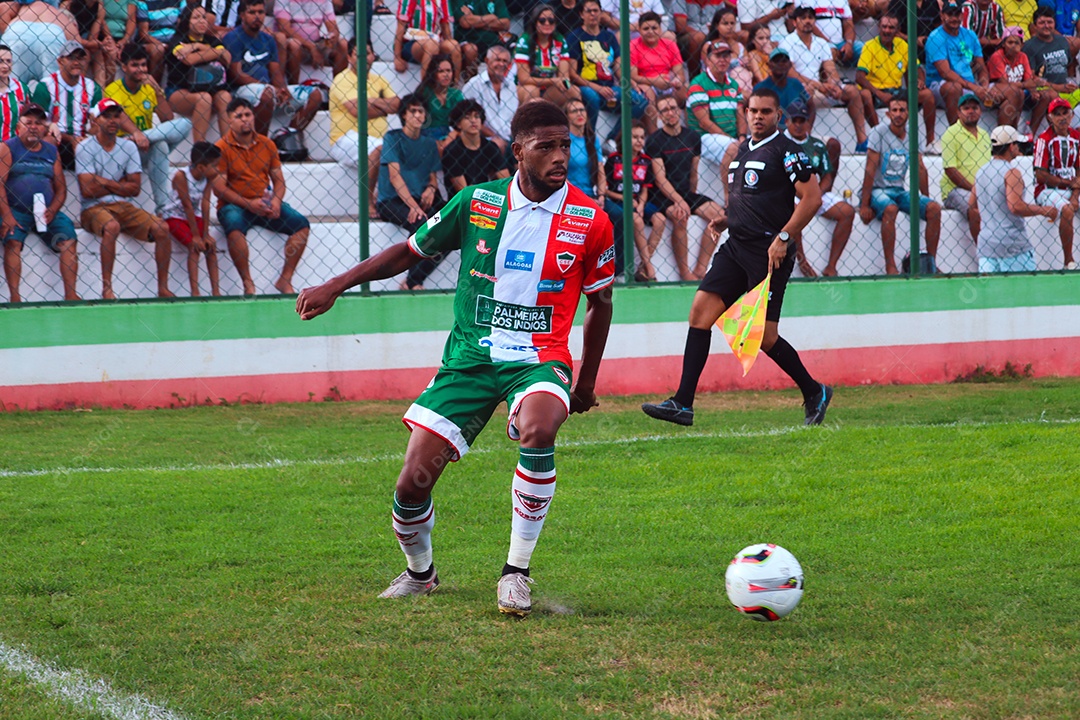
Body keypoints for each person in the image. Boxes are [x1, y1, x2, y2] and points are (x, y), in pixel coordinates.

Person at [295, 100, 615, 617]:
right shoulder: (477, 202)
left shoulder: (591, 220)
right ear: (518, 152)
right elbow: (409, 252)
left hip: (540, 358)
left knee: (539, 429)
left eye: (566, 146)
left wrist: (586, 384)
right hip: (470, 358)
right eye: (547, 146)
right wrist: (337, 284)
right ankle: (421, 575)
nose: (560, 155)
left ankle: (516, 572)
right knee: (411, 485)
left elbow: (601, 304)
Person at [642, 87, 831, 427]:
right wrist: (729, 218)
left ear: (778, 116)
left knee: (763, 337)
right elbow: (754, 195)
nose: (758, 116)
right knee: (700, 313)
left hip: (769, 253)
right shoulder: (743, 148)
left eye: (766, 112)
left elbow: (812, 198)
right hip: (735, 246)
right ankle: (683, 403)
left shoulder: (789, 152)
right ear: (746, 112)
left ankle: (814, 390)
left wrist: (784, 238)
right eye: (754, 111)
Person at [405, 98, 509, 288]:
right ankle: (413, 281)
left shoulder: (490, 148)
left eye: (477, 116)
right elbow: (465, 191)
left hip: (489, 204)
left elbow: (506, 182)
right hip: (460, 205)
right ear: (458, 123)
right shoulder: (453, 150)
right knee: (443, 240)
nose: (473, 121)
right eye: (467, 117)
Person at [76, 98, 173, 299]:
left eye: (116, 116)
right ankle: (107, 288)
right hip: (94, 207)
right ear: (96, 119)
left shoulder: (128, 147)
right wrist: (120, 184)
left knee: (162, 228)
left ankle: (163, 288)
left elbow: (135, 188)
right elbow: (87, 190)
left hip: (124, 206)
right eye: (107, 116)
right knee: (111, 227)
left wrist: (103, 181)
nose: (112, 121)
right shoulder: (84, 147)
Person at [213, 97, 310, 294]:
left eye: (248, 114)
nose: (245, 119)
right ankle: (248, 283)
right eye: (238, 116)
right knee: (234, 227)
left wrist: (275, 201)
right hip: (235, 204)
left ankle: (285, 279)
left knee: (301, 225)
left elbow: (279, 181)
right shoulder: (221, 147)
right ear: (229, 121)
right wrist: (248, 204)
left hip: (264, 202)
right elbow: (219, 189)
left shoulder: (267, 144)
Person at [0, 102, 79, 303]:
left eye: (38, 123)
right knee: (13, 241)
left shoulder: (51, 152)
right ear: (19, 126)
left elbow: (61, 188)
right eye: (28, 122)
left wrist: (52, 210)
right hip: (16, 210)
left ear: (45, 128)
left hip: (46, 212)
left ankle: (70, 294)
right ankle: (15, 297)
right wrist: (7, 216)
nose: (34, 127)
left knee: (68, 239)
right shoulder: (7, 148)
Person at [858, 93, 942, 275]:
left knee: (934, 209)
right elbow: (870, 168)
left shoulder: (913, 133)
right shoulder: (878, 132)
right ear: (888, 114)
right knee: (890, 209)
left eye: (902, 110)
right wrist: (864, 204)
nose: (898, 114)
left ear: (908, 113)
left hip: (898, 189)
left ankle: (930, 263)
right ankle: (890, 266)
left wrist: (925, 199)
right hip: (877, 190)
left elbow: (920, 168)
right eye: (894, 110)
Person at [105, 43, 193, 215]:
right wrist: (135, 134)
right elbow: (118, 116)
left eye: (144, 65)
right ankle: (163, 208)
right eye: (135, 65)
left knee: (185, 124)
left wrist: (158, 91)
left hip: (145, 146)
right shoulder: (113, 89)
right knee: (160, 145)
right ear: (124, 67)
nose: (141, 69)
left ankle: (163, 210)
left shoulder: (148, 89)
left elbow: (167, 119)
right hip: (123, 149)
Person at [645, 93, 725, 281]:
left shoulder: (692, 137)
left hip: (686, 192)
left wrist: (691, 198)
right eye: (665, 110)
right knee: (680, 216)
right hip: (662, 195)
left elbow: (694, 171)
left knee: (719, 216)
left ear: (679, 111)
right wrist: (680, 202)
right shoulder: (654, 140)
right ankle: (685, 274)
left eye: (673, 108)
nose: (670, 113)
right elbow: (660, 179)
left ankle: (700, 270)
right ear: (659, 115)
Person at [223, 0, 322, 138]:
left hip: (267, 89)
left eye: (261, 12)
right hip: (241, 90)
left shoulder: (268, 39)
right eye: (252, 12)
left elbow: (275, 70)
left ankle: (286, 136)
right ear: (242, 15)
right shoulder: (233, 38)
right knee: (268, 93)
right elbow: (236, 74)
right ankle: (260, 144)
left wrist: (281, 88)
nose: (257, 16)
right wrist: (267, 87)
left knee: (315, 94)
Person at [374, 94, 445, 289]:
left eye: (420, 111)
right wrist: (413, 207)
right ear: (404, 115)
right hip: (392, 200)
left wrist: (431, 188)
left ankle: (411, 281)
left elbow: (432, 176)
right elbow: (394, 177)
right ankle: (415, 281)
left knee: (448, 226)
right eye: (412, 111)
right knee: (420, 225)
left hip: (418, 199)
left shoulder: (429, 143)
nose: (417, 115)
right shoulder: (392, 138)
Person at [970, 125, 1056, 273]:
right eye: (1017, 144)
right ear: (1011, 146)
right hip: (1012, 243)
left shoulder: (981, 171)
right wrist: (1044, 210)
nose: (1019, 148)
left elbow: (971, 203)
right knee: (1023, 291)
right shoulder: (1011, 172)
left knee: (991, 293)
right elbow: (1015, 206)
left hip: (987, 244)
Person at [780, 6, 868, 151]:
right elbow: (791, 73)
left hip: (820, 89)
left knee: (852, 91)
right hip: (799, 88)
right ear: (795, 22)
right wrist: (818, 85)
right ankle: (804, 142)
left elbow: (830, 68)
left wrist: (834, 85)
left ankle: (862, 142)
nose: (808, 21)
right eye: (803, 18)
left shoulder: (820, 43)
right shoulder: (788, 42)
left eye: (810, 18)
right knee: (806, 91)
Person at [783, 99, 853, 277]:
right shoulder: (780, 144)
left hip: (815, 193)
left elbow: (827, 175)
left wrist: (817, 195)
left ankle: (831, 266)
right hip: (790, 193)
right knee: (794, 209)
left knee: (847, 212)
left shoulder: (817, 145)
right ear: (787, 122)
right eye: (794, 121)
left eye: (802, 121)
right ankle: (802, 261)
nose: (798, 125)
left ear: (808, 122)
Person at [566, 0, 648, 132]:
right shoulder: (574, 37)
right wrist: (598, 88)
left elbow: (617, 67)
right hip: (586, 86)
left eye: (596, 11)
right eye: (589, 11)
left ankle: (614, 139)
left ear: (601, 13)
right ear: (582, 14)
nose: (593, 14)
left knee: (641, 101)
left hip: (610, 88)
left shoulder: (609, 37)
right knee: (592, 98)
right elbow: (572, 74)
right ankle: (589, 137)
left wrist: (629, 82)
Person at [857, 13, 938, 147]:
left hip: (897, 91)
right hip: (876, 91)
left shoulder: (902, 45)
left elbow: (917, 68)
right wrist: (879, 94)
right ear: (879, 27)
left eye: (891, 27)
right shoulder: (869, 46)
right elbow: (859, 76)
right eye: (884, 27)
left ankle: (930, 142)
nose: (887, 30)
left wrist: (921, 81)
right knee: (864, 94)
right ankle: (879, 137)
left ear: (897, 30)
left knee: (927, 95)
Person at [925, 2, 1007, 132]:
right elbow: (945, 73)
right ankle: (957, 135)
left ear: (962, 16)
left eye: (957, 14)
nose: (954, 18)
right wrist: (975, 88)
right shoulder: (936, 37)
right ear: (942, 16)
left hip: (971, 85)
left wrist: (984, 86)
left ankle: (1005, 139)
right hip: (941, 86)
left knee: (1014, 92)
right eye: (949, 14)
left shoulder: (970, 35)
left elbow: (981, 67)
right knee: (953, 88)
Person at [564, 96, 624, 273]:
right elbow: (562, 175)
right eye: (574, 111)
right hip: (572, 195)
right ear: (567, 117)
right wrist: (585, 199)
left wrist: (602, 196)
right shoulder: (564, 142)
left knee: (620, 216)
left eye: (582, 110)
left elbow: (600, 169)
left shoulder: (592, 139)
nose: (580, 114)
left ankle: (618, 270)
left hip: (593, 195)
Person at [330, 38, 399, 187]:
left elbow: (396, 105)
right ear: (349, 57)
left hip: (377, 139)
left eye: (367, 53)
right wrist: (382, 108)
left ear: (373, 55)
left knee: (390, 150)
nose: (363, 58)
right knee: (382, 149)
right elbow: (357, 111)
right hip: (344, 139)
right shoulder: (342, 79)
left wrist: (370, 101)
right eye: (357, 54)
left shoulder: (380, 80)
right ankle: (369, 202)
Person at [605, 121, 666, 282]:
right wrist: (624, 198)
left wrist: (641, 204)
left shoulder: (645, 160)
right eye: (634, 137)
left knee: (660, 219)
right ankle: (648, 266)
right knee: (637, 221)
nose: (639, 141)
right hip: (618, 201)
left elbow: (645, 188)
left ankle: (641, 269)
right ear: (625, 139)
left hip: (638, 202)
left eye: (642, 137)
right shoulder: (613, 159)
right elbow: (605, 190)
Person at [164, 4, 233, 143]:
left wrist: (197, 46)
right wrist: (216, 53)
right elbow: (189, 59)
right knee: (204, 98)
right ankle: (199, 150)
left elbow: (227, 58)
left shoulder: (212, 40)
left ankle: (229, 147)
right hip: (180, 90)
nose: (202, 21)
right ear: (187, 21)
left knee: (225, 96)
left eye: (203, 17)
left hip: (212, 90)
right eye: (196, 17)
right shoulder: (177, 40)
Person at [162, 141, 222, 296]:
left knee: (210, 245)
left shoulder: (209, 177)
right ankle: (195, 291)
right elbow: (187, 205)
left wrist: (205, 234)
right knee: (194, 246)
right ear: (201, 167)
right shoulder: (181, 176)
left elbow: (206, 204)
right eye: (215, 165)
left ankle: (216, 291)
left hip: (193, 217)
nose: (218, 169)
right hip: (175, 216)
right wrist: (196, 236)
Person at [32, 40, 103, 171]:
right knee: (48, 139)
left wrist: (94, 129)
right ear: (60, 61)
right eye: (71, 58)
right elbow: (39, 121)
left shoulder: (93, 87)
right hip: (57, 138)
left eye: (81, 58)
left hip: (83, 139)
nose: (76, 62)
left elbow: (96, 121)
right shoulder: (46, 85)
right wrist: (71, 139)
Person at [1032, 96, 1080, 270]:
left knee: (1071, 204)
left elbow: (1079, 170)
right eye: (1057, 114)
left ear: (1072, 115)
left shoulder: (1077, 137)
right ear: (1049, 118)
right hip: (1047, 190)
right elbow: (1040, 175)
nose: (1062, 118)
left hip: (1071, 188)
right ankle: (1069, 261)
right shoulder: (1044, 140)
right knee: (1067, 209)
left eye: (1065, 113)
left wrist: (1075, 194)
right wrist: (1067, 183)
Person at [688, 40, 747, 168]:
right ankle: (730, 189)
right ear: (708, 60)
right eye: (717, 56)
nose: (722, 60)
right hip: (705, 138)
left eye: (726, 56)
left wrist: (742, 136)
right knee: (734, 149)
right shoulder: (698, 84)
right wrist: (732, 140)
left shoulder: (734, 84)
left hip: (733, 138)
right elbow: (704, 122)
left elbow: (740, 115)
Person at [940, 92, 990, 242]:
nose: (971, 111)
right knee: (975, 209)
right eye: (966, 108)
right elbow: (950, 171)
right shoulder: (951, 134)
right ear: (958, 112)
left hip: (980, 189)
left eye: (974, 107)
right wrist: (974, 189)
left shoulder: (985, 135)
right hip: (955, 190)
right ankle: (983, 253)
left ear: (980, 111)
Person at [990, 26, 1052, 134]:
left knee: (1046, 95)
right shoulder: (997, 56)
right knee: (1016, 92)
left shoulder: (1022, 56)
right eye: (1010, 42)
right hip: (998, 92)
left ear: (1022, 45)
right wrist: (1025, 85)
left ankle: (1030, 133)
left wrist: (1033, 91)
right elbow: (1004, 83)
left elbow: (1029, 79)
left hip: (1020, 90)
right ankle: (1006, 134)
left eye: (1017, 43)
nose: (1013, 46)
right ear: (1003, 44)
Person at [514, 4, 579, 107]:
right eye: (542, 20)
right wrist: (553, 81)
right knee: (533, 92)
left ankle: (574, 122)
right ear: (535, 22)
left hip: (549, 90)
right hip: (525, 87)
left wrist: (564, 83)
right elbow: (524, 79)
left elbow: (564, 76)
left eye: (551, 20)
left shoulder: (560, 40)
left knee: (574, 91)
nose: (547, 23)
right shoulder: (525, 40)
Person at [4, 1, 80, 86]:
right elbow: (77, 42)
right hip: (51, 35)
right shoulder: (58, 14)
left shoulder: (17, 9)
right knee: (53, 89)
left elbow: (3, 11)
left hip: (18, 32)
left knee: (9, 88)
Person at [462, 44, 518, 151]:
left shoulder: (511, 86)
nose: (501, 64)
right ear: (487, 61)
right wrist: (494, 137)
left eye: (505, 61)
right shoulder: (473, 85)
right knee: (497, 145)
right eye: (497, 60)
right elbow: (469, 118)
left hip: (510, 138)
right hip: (485, 138)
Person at [274, 0, 348, 81]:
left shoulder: (325, 1)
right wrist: (311, 47)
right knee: (295, 44)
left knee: (343, 44)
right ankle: (294, 87)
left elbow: (333, 28)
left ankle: (337, 87)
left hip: (318, 42)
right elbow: (284, 28)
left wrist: (332, 38)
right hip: (294, 42)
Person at [630, 11, 688, 114]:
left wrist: (677, 81)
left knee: (687, 91)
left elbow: (680, 74)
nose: (650, 32)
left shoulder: (670, 44)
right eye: (646, 29)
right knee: (648, 95)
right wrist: (655, 81)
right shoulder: (633, 46)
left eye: (654, 28)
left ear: (660, 29)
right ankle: (654, 129)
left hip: (668, 83)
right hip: (646, 84)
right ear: (639, 30)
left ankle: (689, 129)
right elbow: (634, 76)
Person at [393, 0, 461, 77]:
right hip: (413, 43)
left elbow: (445, 26)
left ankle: (453, 86)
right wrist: (397, 57)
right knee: (431, 45)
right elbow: (400, 27)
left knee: (454, 45)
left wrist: (449, 45)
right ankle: (426, 86)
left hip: (436, 40)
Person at [1023, 6, 1077, 101]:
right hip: (1043, 89)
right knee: (1051, 94)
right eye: (1042, 23)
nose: (1046, 26)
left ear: (1055, 24)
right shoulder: (1029, 46)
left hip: (1065, 88)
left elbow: (1068, 66)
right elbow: (1031, 77)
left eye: (1049, 22)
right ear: (1035, 26)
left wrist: (1070, 84)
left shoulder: (1062, 41)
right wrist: (1058, 87)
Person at [65, 0, 119, 87]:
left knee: (100, 54)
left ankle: (102, 92)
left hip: (86, 39)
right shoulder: (69, 5)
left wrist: (107, 43)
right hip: (70, 40)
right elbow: (71, 37)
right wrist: (97, 44)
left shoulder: (99, 7)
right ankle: (79, 88)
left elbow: (92, 38)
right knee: (85, 54)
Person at [752, 46, 806, 132]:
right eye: (776, 61)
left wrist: (808, 126)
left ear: (790, 65)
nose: (780, 63)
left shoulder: (796, 84)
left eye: (784, 61)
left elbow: (811, 106)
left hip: (796, 133)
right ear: (769, 65)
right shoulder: (760, 88)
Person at [415, 53, 463, 148]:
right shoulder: (424, 92)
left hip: (451, 135)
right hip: (426, 135)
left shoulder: (456, 94)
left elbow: (463, 119)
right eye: (441, 71)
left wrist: (454, 133)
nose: (446, 75)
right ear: (433, 73)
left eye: (448, 71)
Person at [453, 0, 511, 73]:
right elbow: (465, 22)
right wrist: (491, 17)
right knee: (470, 50)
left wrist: (475, 20)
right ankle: (469, 81)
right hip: (468, 39)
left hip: (492, 41)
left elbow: (505, 24)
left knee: (502, 53)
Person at [0, 45, 30, 143]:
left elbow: (30, 115)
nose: (5, 66)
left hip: (15, 145)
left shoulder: (22, 88)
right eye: (0, 61)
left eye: (8, 61)